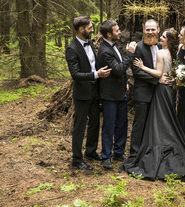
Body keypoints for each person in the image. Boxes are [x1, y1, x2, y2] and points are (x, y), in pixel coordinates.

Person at [120, 28, 185, 180]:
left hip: (161, 90)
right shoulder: (174, 53)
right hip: (170, 91)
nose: (160, 39)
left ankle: (159, 145)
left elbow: (159, 74)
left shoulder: (161, 52)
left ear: (167, 40)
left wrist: (142, 66)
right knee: (168, 117)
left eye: (163, 37)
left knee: (160, 120)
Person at [65, 16, 111, 170]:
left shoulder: (90, 43)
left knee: (95, 122)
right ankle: (77, 160)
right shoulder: (72, 49)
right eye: (90, 28)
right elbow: (75, 75)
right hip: (82, 93)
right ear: (81, 29)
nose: (92, 30)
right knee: (80, 126)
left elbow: (93, 64)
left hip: (94, 91)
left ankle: (90, 152)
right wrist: (96, 75)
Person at [97, 20, 136, 169]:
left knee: (122, 123)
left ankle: (119, 151)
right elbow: (119, 68)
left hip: (120, 92)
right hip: (109, 95)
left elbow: (117, 72)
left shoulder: (113, 46)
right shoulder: (105, 51)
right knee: (109, 125)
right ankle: (106, 156)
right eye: (117, 30)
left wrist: (124, 82)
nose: (120, 32)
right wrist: (130, 55)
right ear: (109, 34)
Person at [129, 19, 161, 158]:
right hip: (142, 92)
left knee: (154, 122)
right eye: (147, 30)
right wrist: (156, 80)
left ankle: (150, 149)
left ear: (158, 30)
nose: (150, 32)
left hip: (159, 93)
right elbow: (137, 72)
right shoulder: (138, 48)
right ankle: (135, 152)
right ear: (143, 30)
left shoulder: (161, 46)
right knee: (140, 122)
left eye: (152, 29)